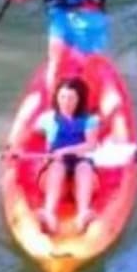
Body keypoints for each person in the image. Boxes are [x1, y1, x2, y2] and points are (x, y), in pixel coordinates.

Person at [28, 76, 101, 234]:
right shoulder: (48, 119)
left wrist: (64, 151)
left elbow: (91, 145)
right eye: (62, 97)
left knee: (83, 166)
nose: (66, 102)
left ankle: (83, 213)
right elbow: (32, 132)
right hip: (53, 182)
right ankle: (49, 214)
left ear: (79, 99)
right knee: (57, 166)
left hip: (81, 183)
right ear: (56, 97)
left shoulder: (90, 121)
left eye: (71, 98)